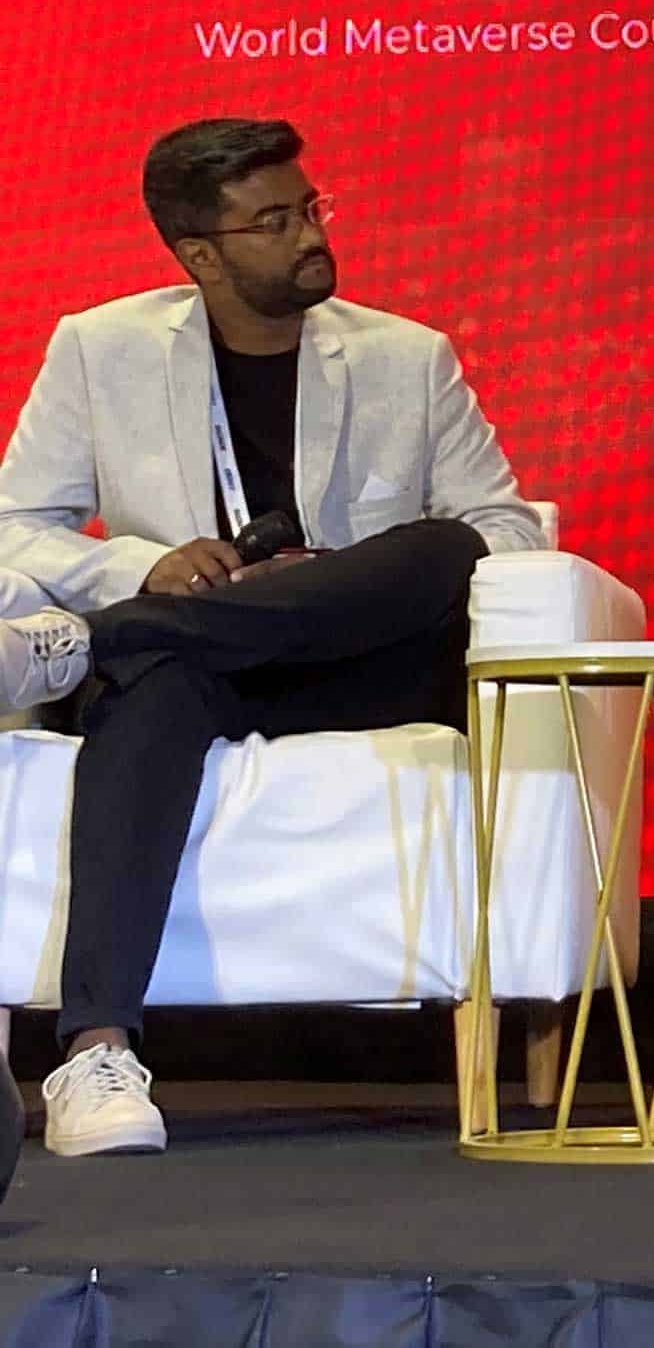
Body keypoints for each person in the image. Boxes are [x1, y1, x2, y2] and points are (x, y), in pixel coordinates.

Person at [0, 117, 545, 1157]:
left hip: (355, 662)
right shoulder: (100, 347)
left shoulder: (408, 357)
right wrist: (143, 566)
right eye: (273, 221)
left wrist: (333, 578)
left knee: (438, 547)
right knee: (156, 680)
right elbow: (14, 521)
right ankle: (97, 1051)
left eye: (310, 209)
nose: (309, 237)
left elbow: (504, 528)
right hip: (194, 662)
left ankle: (90, 640)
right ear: (199, 252)